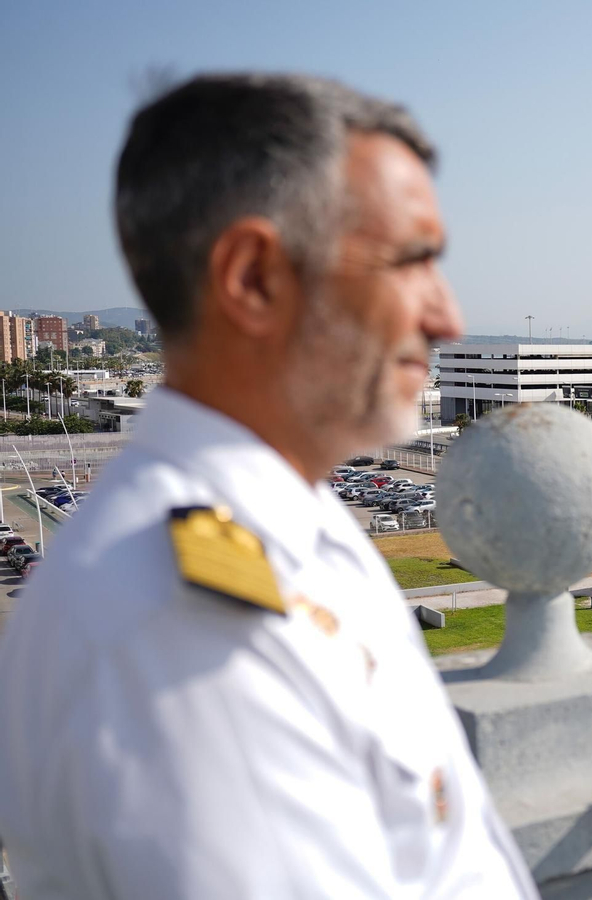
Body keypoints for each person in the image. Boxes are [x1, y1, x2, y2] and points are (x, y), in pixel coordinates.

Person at [0, 74, 537, 898]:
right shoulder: (181, 635)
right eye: (413, 260)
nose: (448, 316)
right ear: (253, 278)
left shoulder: (286, 525)